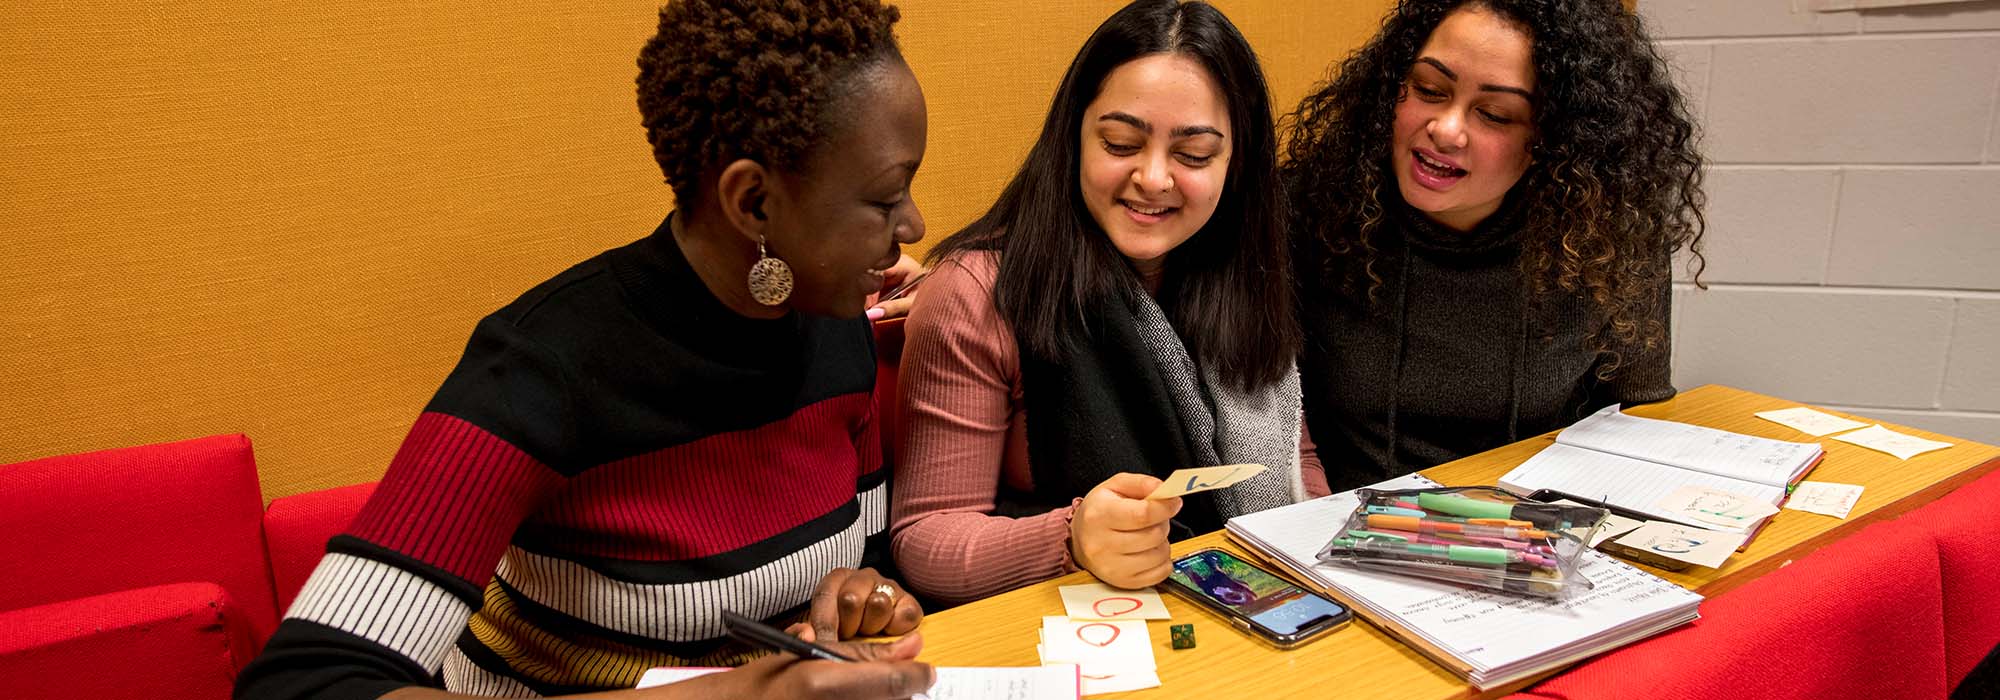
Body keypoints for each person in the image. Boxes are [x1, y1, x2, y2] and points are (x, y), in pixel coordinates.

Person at [234, 1, 936, 697]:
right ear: (752, 203)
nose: (914, 222)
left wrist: (857, 595)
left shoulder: (838, 325)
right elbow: (302, 683)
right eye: (885, 199)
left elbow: (858, 559)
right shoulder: (544, 367)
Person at [889, 0, 1324, 606]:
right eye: (1120, 143)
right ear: (1073, 137)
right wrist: (1072, 537)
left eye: (1193, 155)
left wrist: (1316, 544)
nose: (1152, 177)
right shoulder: (977, 292)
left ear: (1236, 163)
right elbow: (925, 540)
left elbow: (1293, 460)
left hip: (1241, 608)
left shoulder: (1244, 270)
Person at [1282, 0, 1706, 493]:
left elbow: (1639, 416)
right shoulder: (1307, 211)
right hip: (1345, 533)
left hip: (1533, 535)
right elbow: (1267, 425)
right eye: (1428, 89)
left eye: (1496, 114)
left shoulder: (1607, 238)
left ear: (1554, 139)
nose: (1446, 129)